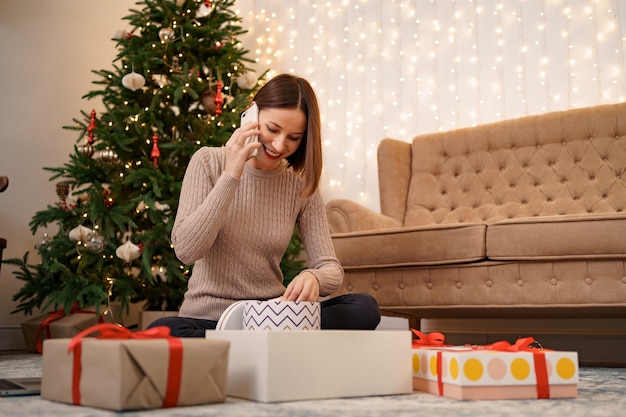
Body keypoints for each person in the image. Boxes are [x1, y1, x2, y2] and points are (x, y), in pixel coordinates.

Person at [148, 73, 380, 337]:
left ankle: (251, 351)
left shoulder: (300, 184)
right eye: (272, 129)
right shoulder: (207, 162)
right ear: (251, 114)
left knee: (364, 307)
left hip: (271, 320)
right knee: (163, 330)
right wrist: (231, 174)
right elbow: (186, 251)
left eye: (293, 138)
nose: (280, 145)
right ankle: (263, 351)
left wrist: (314, 277)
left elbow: (331, 269)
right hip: (211, 321)